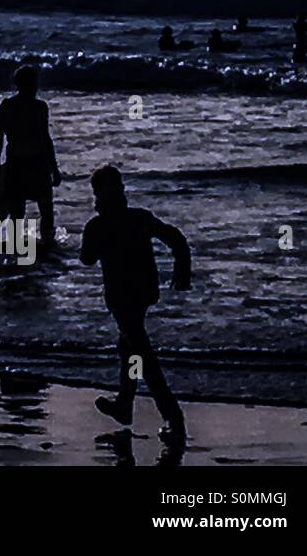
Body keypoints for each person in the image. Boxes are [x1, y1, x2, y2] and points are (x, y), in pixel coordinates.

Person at [80, 164, 190, 443]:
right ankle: (125, 404)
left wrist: (93, 233)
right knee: (128, 347)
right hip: (142, 293)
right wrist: (182, 266)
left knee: (143, 356)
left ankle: (172, 416)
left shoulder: (99, 226)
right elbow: (175, 237)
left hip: (122, 297)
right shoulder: (139, 218)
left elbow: (87, 258)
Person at [0, 65, 62, 244]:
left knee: (21, 212)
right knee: (40, 209)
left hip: (21, 163)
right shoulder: (37, 107)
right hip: (31, 163)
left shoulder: (9, 106)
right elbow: (45, 139)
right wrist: (54, 167)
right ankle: (46, 244)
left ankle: (22, 246)